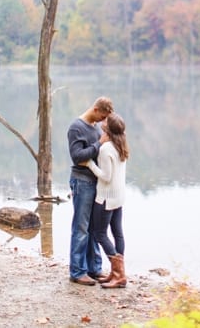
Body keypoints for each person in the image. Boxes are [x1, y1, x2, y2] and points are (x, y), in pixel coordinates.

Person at [67, 96, 114, 286]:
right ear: (95, 109)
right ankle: (77, 271)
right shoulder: (76, 127)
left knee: (94, 228)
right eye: (102, 116)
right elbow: (77, 157)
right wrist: (99, 144)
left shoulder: (95, 127)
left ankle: (94, 268)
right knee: (81, 227)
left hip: (95, 183)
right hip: (82, 182)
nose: (103, 121)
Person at [81, 112, 129, 289]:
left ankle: (119, 274)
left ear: (107, 128)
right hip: (119, 197)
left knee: (99, 233)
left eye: (106, 120)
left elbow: (106, 176)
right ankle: (116, 273)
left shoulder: (106, 149)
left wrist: (89, 164)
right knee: (117, 233)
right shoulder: (121, 144)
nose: (103, 120)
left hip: (106, 197)